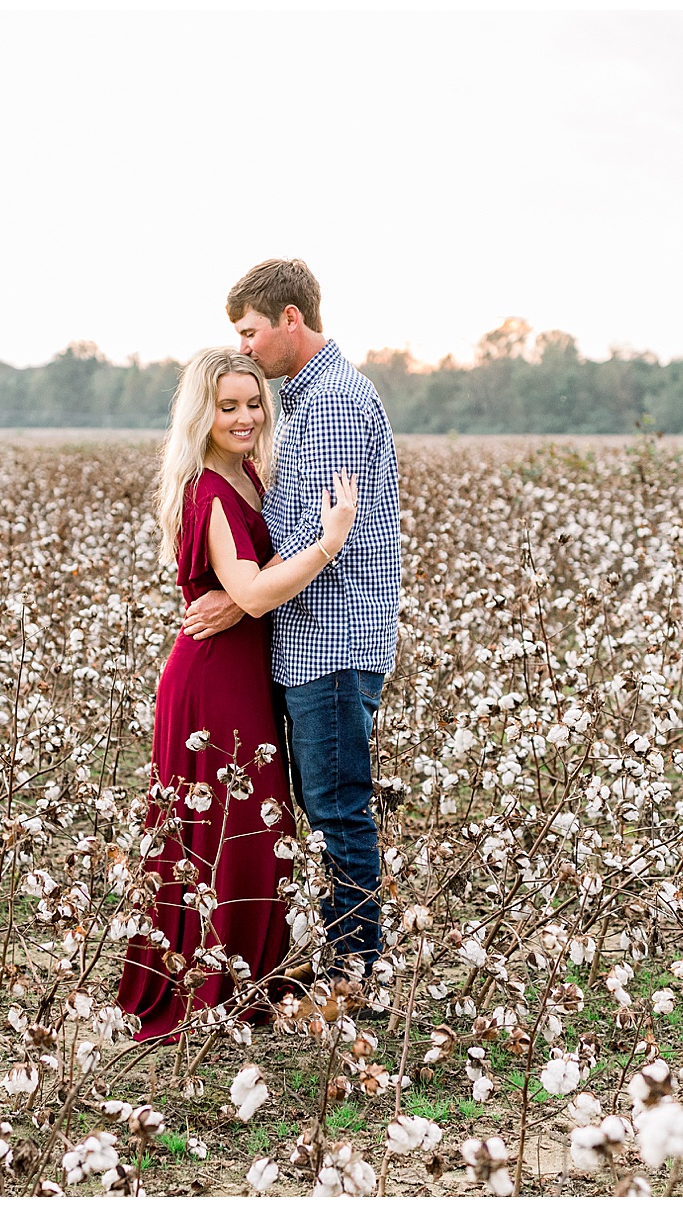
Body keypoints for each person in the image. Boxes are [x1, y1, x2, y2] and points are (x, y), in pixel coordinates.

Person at [115, 347, 358, 1043]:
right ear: (204, 413)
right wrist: (328, 543)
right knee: (230, 832)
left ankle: (244, 979)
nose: (246, 416)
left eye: (254, 402)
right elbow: (253, 588)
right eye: (229, 407)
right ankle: (206, 987)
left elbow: (249, 583)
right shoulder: (210, 489)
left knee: (255, 828)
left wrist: (246, 593)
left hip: (241, 670)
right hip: (210, 681)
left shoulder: (248, 474)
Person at [183, 259, 401, 985]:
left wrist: (241, 596)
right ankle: (345, 954)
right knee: (322, 806)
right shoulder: (307, 401)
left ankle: (358, 968)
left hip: (329, 641)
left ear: (289, 321)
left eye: (249, 331)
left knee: (337, 810)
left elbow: (316, 541)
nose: (243, 346)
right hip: (307, 641)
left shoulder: (334, 401)